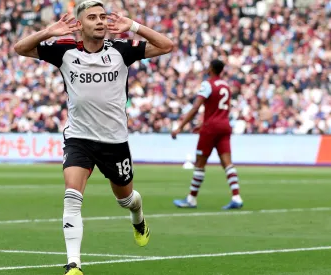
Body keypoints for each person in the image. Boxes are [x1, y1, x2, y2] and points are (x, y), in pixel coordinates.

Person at [14, 0, 174, 274]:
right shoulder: (63, 51)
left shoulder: (121, 50)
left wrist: (133, 26)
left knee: (126, 199)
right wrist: (47, 32)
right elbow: (20, 48)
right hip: (79, 138)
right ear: (80, 24)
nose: (100, 21)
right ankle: (73, 264)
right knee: (72, 195)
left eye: (102, 16)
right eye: (93, 17)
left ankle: (138, 218)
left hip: (114, 141)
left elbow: (167, 45)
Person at [171, 60, 243, 210]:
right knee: (227, 163)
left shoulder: (207, 84)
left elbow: (196, 107)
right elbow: (218, 109)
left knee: (199, 164)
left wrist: (180, 127)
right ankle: (236, 197)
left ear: (211, 68)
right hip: (224, 127)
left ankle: (191, 199)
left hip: (211, 129)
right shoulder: (226, 86)